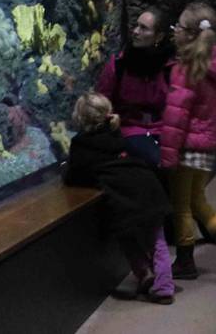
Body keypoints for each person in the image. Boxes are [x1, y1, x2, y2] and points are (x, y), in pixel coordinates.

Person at [61, 93, 177, 305]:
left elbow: (75, 176)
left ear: (80, 118)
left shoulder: (80, 143)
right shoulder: (116, 133)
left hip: (125, 199)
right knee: (157, 241)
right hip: (149, 188)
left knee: (126, 236)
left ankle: (145, 274)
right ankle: (163, 287)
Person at [160, 2, 216, 281]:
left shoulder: (186, 68)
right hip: (207, 148)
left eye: (178, 27)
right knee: (197, 199)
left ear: (189, 34)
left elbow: (176, 117)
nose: (174, 32)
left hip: (186, 148)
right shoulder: (215, 64)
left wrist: (168, 155)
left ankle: (185, 261)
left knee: (181, 206)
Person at [96, 7, 174, 166]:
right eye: (136, 26)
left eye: (143, 28)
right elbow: (101, 101)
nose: (136, 31)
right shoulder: (119, 65)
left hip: (163, 130)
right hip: (130, 130)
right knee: (157, 161)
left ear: (159, 36)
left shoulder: (170, 67)